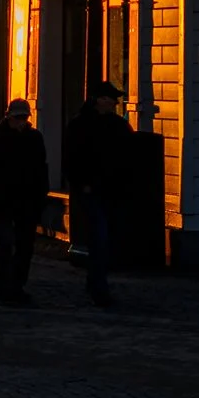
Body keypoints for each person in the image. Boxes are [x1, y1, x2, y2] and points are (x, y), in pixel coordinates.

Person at [0, 97, 50, 305]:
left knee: (25, 247)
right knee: (4, 244)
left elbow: (42, 169)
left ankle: (17, 285)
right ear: (8, 117)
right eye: (17, 118)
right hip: (3, 199)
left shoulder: (34, 138)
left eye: (24, 118)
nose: (21, 122)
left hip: (28, 200)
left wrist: (42, 194)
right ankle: (5, 287)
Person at [64, 80, 133, 306]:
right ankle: (98, 287)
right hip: (92, 189)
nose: (115, 102)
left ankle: (95, 280)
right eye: (111, 98)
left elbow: (127, 157)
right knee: (100, 237)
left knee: (106, 238)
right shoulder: (81, 125)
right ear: (99, 100)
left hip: (113, 189)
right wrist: (81, 183)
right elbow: (72, 158)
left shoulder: (116, 126)